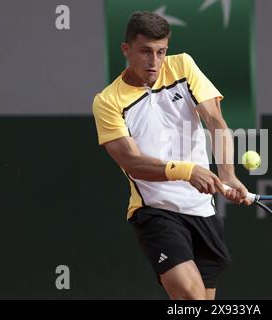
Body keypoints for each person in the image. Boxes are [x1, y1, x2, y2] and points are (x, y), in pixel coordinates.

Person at [92, 11, 250, 300]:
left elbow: (215, 121)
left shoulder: (183, 66)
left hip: (203, 211)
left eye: (161, 52)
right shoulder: (107, 101)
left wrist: (227, 174)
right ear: (126, 50)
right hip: (156, 211)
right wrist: (186, 171)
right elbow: (131, 163)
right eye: (145, 52)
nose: (154, 62)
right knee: (192, 299)